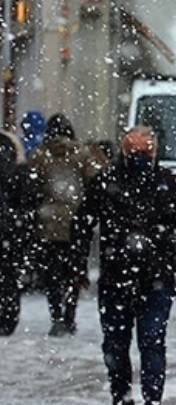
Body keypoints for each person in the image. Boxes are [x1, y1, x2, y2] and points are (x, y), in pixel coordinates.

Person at [82, 127, 176, 405]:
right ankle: (123, 401)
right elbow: (83, 224)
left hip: (151, 278)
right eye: (136, 151)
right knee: (120, 346)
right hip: (121, 278)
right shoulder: (108, 183)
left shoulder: (168, 185)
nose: (140, 158)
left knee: (149, 343)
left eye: (145, 152)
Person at [29, 114, 100, 335]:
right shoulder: (82, 155)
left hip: (48, 223)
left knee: (52, 273)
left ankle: (56, 315)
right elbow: (95, 182)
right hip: (76, 222)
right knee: (74, 271)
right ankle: (70, 314)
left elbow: (33, 186)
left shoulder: (41, 156)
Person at [0, 131, 36, 335]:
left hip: (10, 229)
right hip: (11, 232)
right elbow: (29, 202)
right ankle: (7, 317)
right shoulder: (20, 172)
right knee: (9, 277)